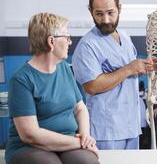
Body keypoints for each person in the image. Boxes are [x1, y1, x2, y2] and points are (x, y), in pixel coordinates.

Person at [5, 13, 99, 164]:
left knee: (87, 161)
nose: (70, 42)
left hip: (69, 143)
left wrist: (85, 136)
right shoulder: (21, 80)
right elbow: (30, 135)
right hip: (29, 147)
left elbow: (80, 109)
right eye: (67, 37)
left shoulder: (64, 68)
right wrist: (79, 143)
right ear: (51, 41)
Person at [72, 0, 157, 150]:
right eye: (99, 14)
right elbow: (92, 86)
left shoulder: (124, 37)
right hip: (106, 128)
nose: (105, 19)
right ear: (90, 11)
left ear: (120, 8)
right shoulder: (88, 45)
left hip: (130, 123)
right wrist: (130, 69)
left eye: (111, 12)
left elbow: (130, 71)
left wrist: (143, 66)